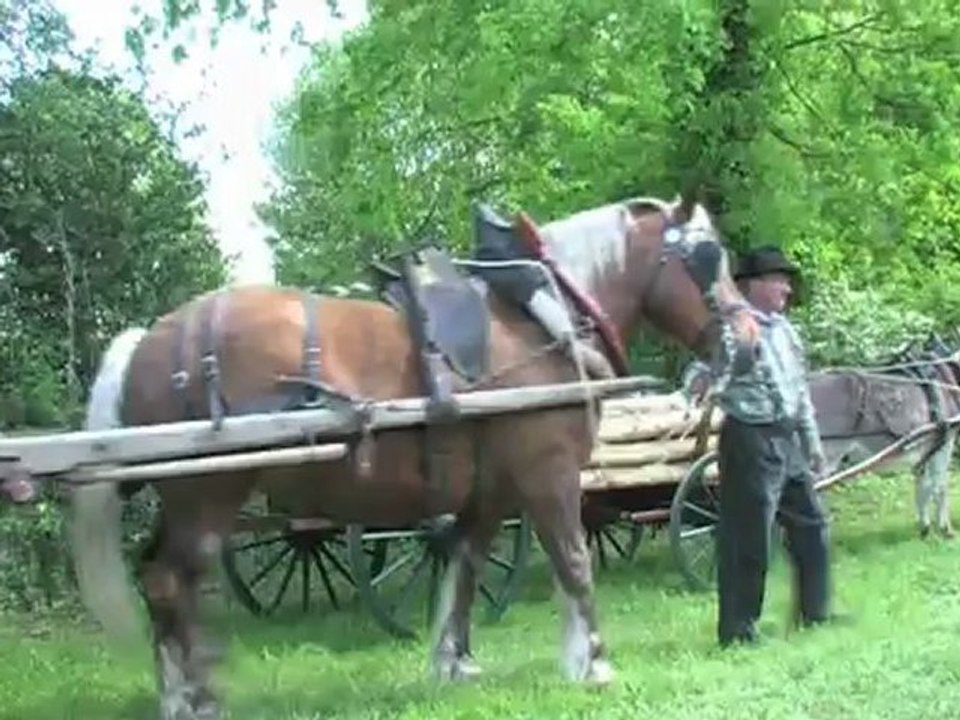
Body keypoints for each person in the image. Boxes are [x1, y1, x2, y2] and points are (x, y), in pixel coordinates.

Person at [691, 245, 838, 647]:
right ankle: (739, 631)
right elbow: (702, 372)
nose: (787, 289)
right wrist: (703, 382)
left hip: (787, 438)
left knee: (812, 524)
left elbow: (800, 391)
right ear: (753, 286)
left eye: (787, 281)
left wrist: (812, 444)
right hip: (750, 439)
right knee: (748, 538)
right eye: (778, 281)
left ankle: (816, 613)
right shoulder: (731, 330)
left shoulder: (786, 331)